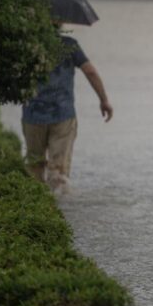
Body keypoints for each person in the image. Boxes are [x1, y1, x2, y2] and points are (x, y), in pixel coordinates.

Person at [22, 29, 112, 193]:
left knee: (34, 166)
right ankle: (61, 210)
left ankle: (35, 205)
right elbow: (90, 71)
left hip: (33, 113)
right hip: (62, 115)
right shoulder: (70, 45)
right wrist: (104, 100)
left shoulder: (28, 44)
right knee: (58, 172)